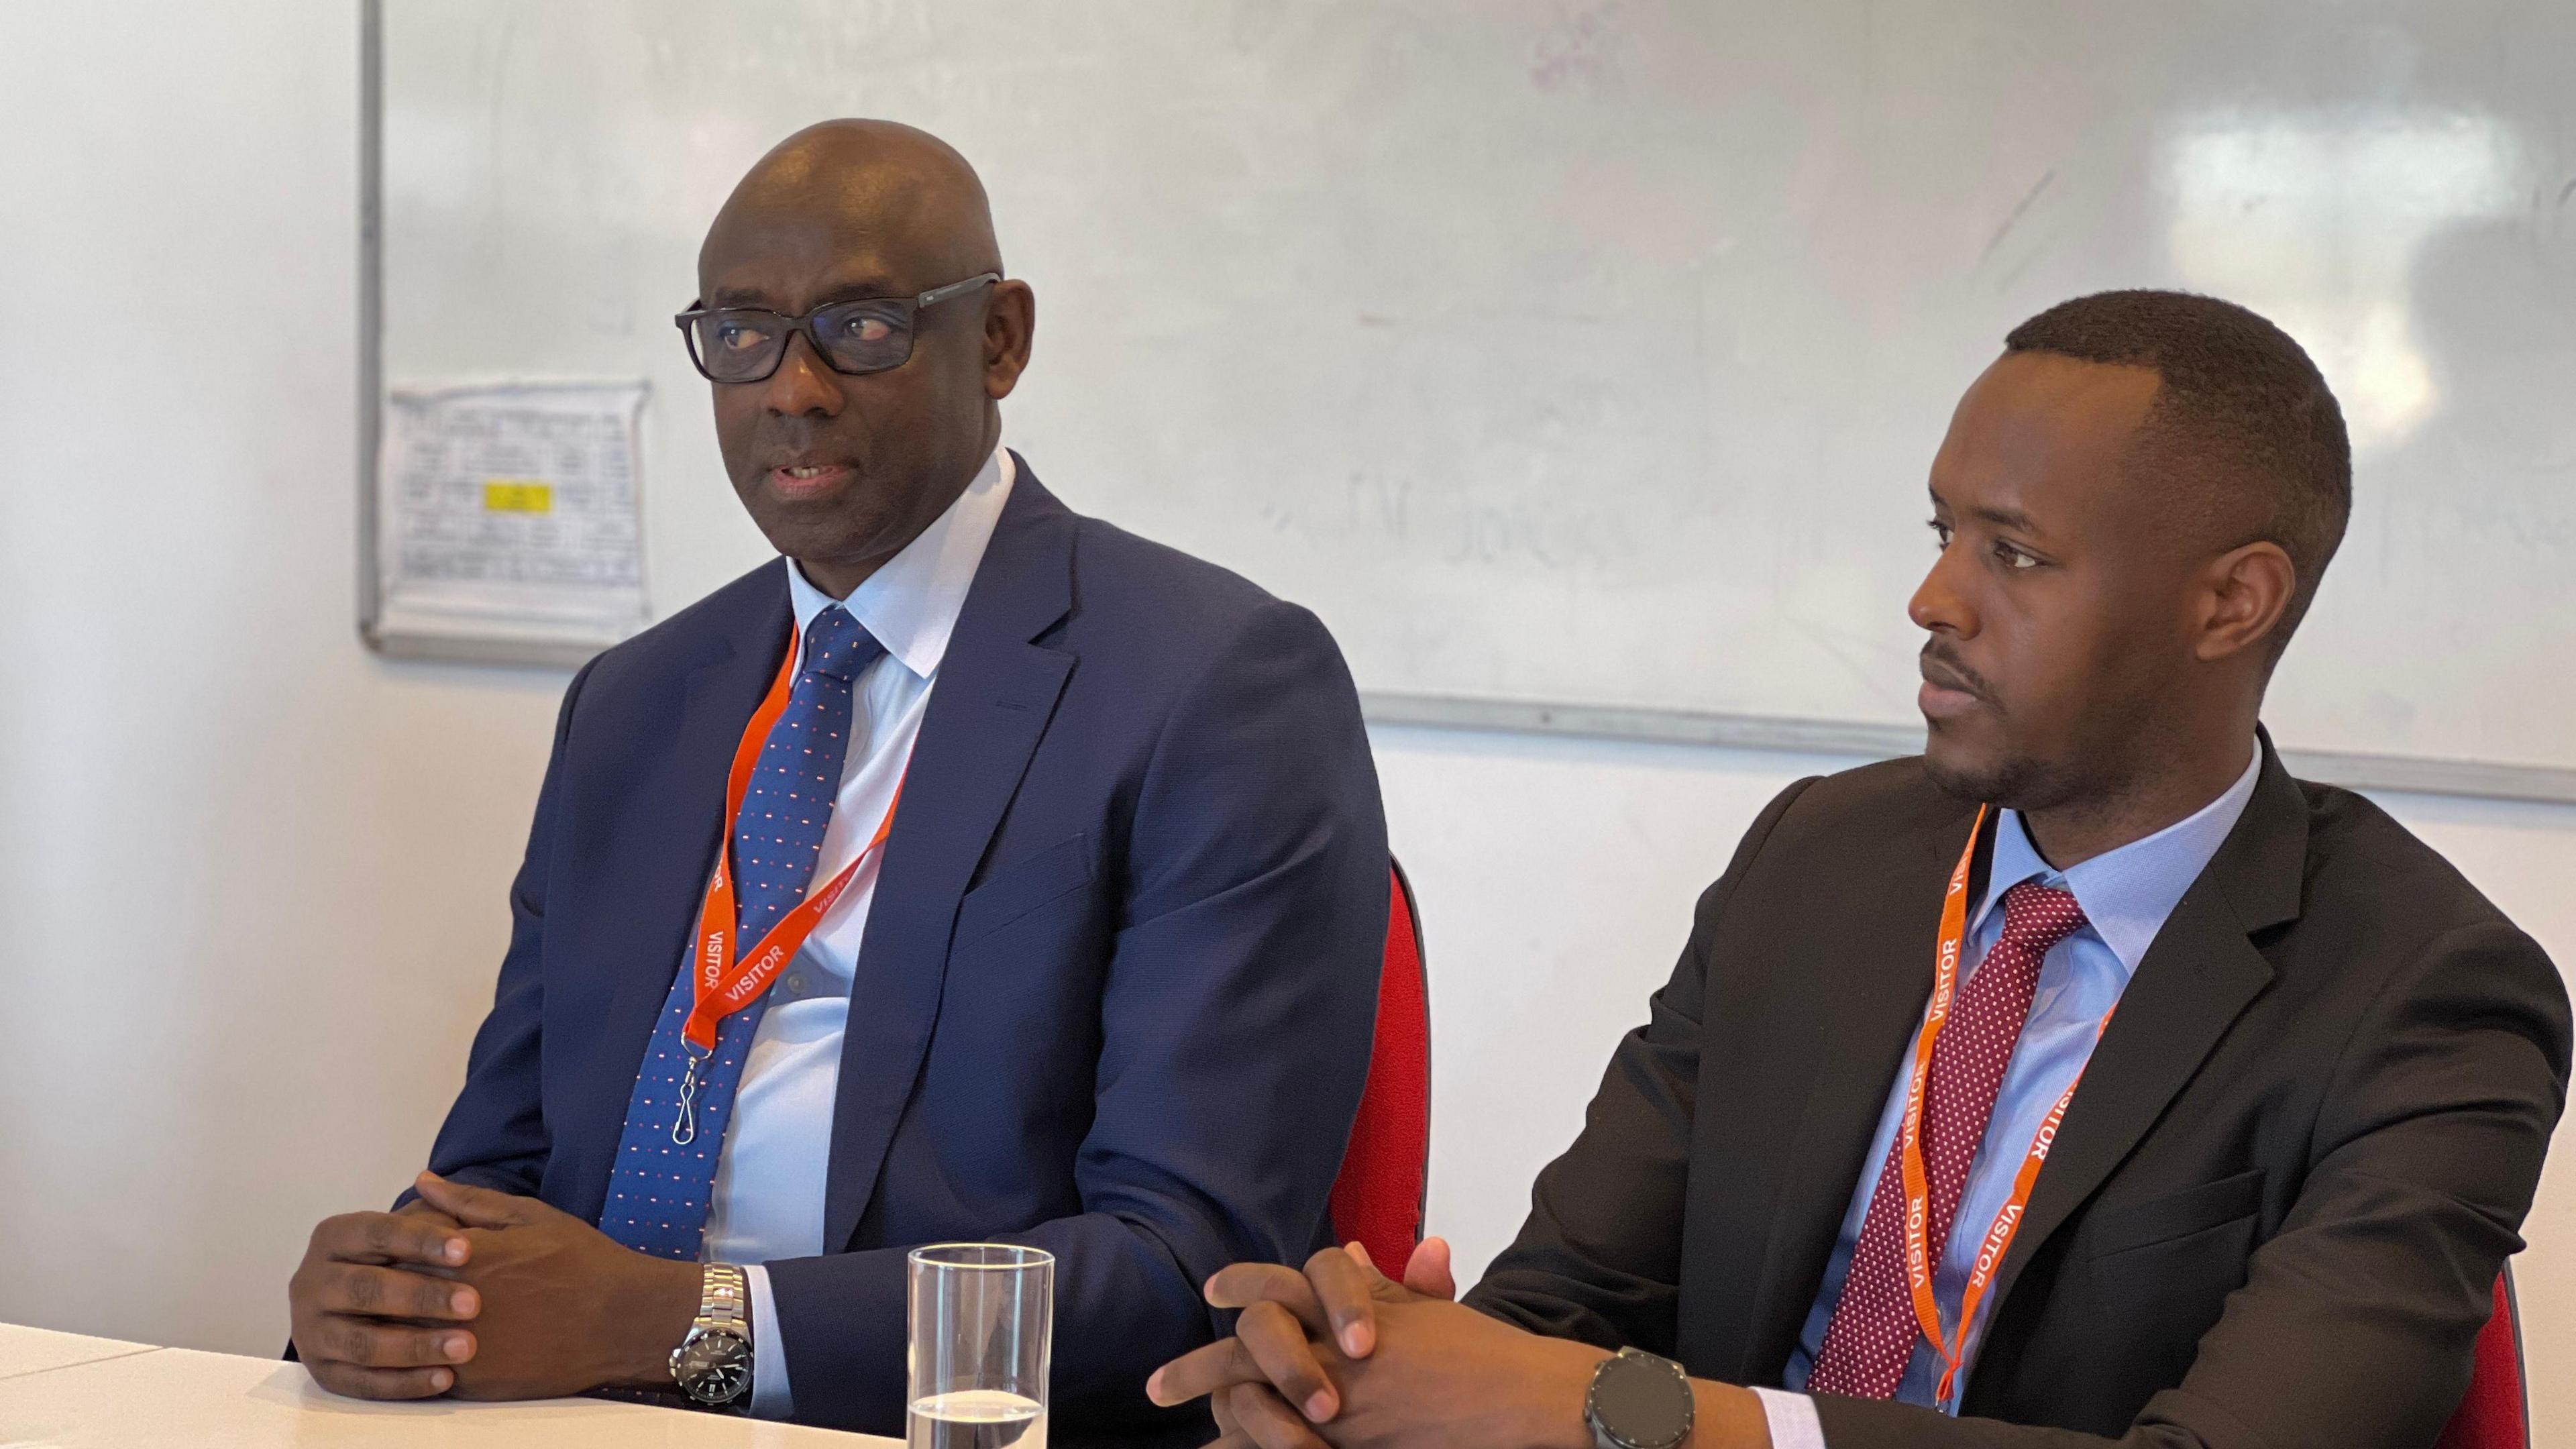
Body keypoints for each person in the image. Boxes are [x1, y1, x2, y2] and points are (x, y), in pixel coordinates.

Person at [1149, 290, 2571, 1448]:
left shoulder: (2431, 999)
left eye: (2014, 553)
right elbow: (1564, 1309)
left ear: (2230, 602)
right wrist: (1365, 1378)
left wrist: (1624, 1415)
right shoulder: (1820, 857)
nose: (1934, 600)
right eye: (1941, 531)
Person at [284, 119, 1388, 1446]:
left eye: (861, 327)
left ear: (1000, 340)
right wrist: (392, 1293)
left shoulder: (1209, 685)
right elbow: (497, 1167)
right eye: (740, 334)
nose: (790, 390)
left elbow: (1187, 1273)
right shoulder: (636, 704)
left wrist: (673, 1322)